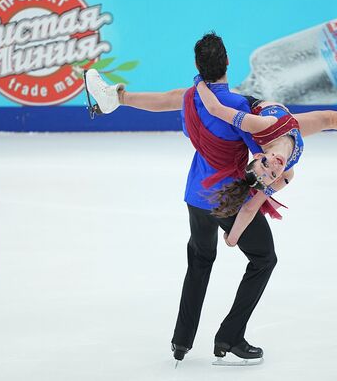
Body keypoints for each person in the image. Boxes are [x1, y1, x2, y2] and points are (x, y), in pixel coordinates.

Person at [85, 32, 276, 366]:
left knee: (200, 263)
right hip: (227, 197)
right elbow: (263, 157)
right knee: (263, 259)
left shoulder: (191, 98)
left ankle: (181, 342)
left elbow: (164, 100)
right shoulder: (238, 106)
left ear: (197, 65)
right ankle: (230, 336)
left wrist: (122, 96)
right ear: (228, 61)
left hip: (196, 196)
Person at [85, 67, 337, 248]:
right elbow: (253, 205)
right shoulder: (289, 168)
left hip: (250, 110)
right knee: (331, 120)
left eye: (262, 165)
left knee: (181, 97)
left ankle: (116, 99)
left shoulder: (260, 130)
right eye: (271, 174)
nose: (272, 166)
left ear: (256, 158)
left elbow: (219, 110)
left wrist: (199, 86)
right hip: (289, 126)